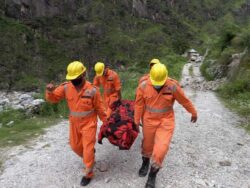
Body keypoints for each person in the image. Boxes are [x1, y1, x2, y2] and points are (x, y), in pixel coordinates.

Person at [134, 63, 198, 188]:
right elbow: (139, 105)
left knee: (161, 149)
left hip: (166, 121)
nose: (158, 85)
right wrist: (136, 121)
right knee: (147, 145)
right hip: (148, 120)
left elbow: (184, 100)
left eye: (161, 83)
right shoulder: (143, 86)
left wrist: (193, 112)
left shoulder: (172, 86)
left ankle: (152, 175)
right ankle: (145, 163)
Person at [45, 61, 107, 186]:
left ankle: (88, 173)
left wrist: (106, 123)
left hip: (89, 123)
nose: (74, 80)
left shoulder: (93, 90)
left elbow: (100, 109)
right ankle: (89, 156)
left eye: (76, 78)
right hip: (74, 123)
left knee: (88, 149)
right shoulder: (66, 87)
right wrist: (50, 92)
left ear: (84, 74)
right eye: (72, 78)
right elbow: (53, 99)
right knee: (75, 146)